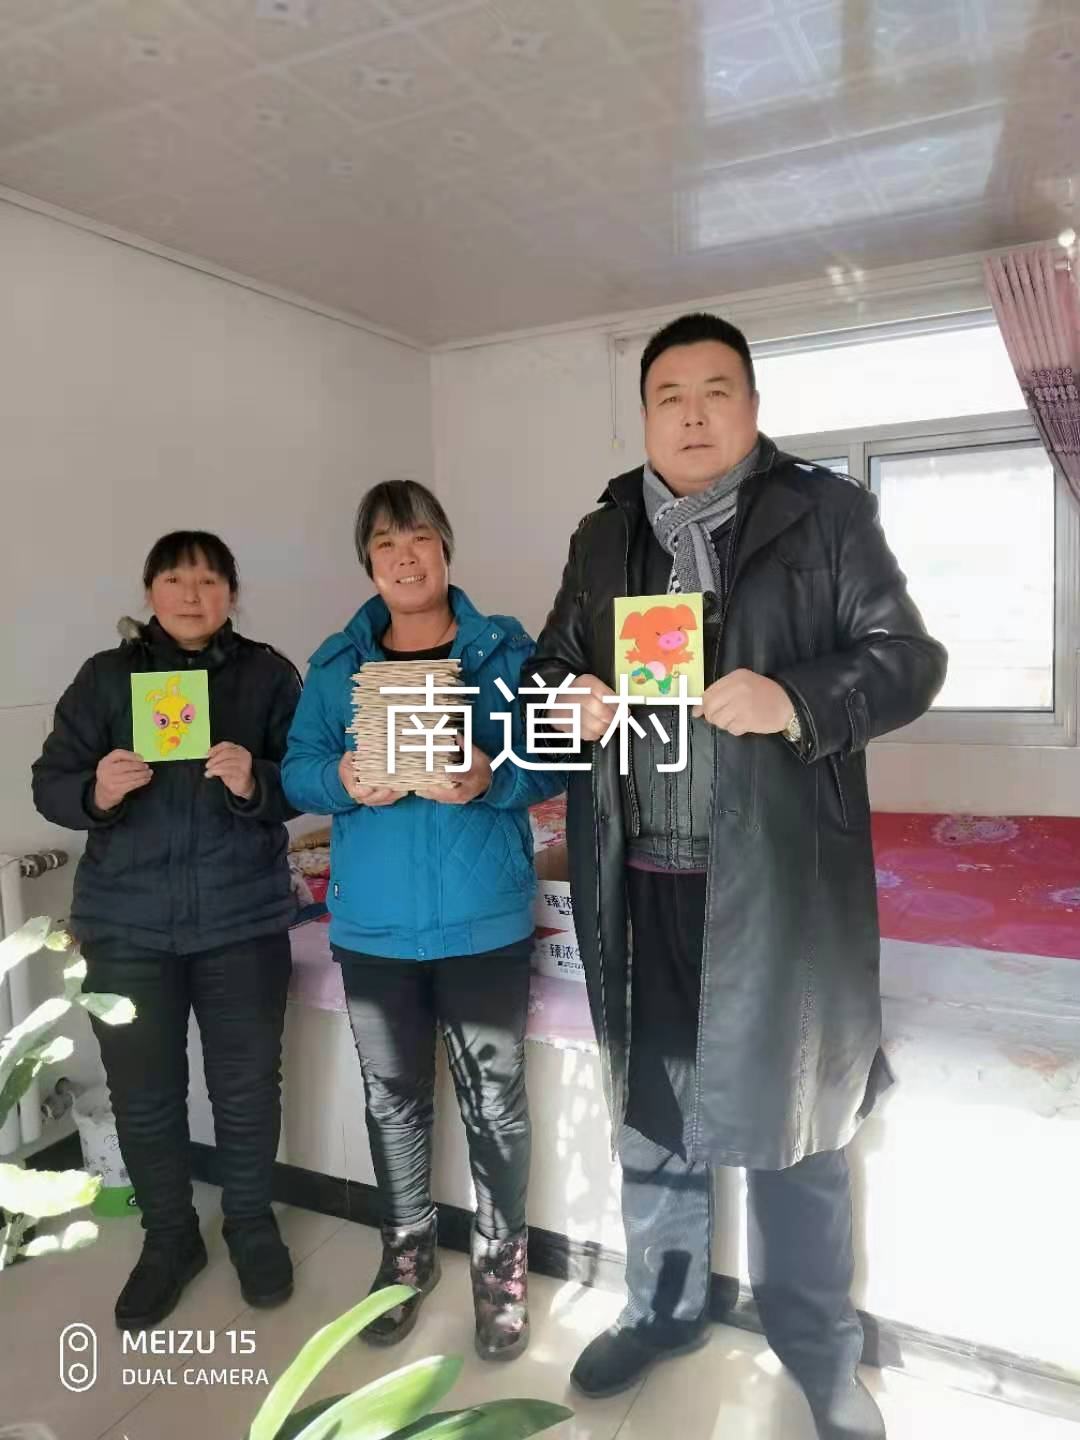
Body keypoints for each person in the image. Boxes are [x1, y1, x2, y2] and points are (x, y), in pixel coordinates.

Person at [530, 313, 948, 1438]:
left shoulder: (826, 514)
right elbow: (546, 664)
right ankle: (662, 1311)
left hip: (775, 883)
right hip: (640, 875)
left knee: (797, 1122)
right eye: (670, 396)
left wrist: (793, 698)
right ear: (645, 416)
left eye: (717, 391)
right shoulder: (603, 535)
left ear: (753, 408)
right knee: (652, 1116)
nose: (694, 415)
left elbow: (909, 660)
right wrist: (569, 698)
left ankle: (817, 1348)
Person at [282, 480, 562, 1361]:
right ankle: (405, 1255)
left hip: (483, 919)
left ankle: (500, 1269)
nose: (405, 557)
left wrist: (492, 777)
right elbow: (297, 768)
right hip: (374, 926)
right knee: (393, 1100)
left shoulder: (503, 651)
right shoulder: (337, 665)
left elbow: (555, 756)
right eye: (385, 543)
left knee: (495, 1103)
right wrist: (340, 782)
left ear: (445, 547)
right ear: (368, 562)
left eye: (420, 538)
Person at [32, 532, 301, 1330]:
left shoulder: (267, 675)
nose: (192, 594)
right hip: (126, 923)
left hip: (241, 917)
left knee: (247, 1090)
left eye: (210, 580)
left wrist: (257, 782)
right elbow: (50, 784)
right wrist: (97, 792)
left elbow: (311, 780)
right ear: (150, 591)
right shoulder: (104, 678)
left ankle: (250, 1224)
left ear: (232, 594)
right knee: (143, 1096)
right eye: (176, 579)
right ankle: (170, 1239)